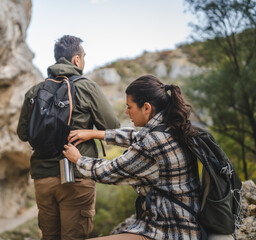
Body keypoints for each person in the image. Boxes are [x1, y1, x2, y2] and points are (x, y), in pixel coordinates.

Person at [63, 74, 202, 240]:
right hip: (184, 222)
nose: (126, 111)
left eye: (129, 107)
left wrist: (78, 159)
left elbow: (110, 171)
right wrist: (95, 133)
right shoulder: (170, 127)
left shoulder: (153, 143)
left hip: (170, 231)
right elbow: (135, 137)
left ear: (146, 108)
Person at [17, 35, 120, 240]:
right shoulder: (86, 86)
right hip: (77, 176)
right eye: (83, 57)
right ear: (76, 60)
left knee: (49, 236)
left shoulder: (35, 91)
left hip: (43, 177)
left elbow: (23, 133)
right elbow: (113, 127)